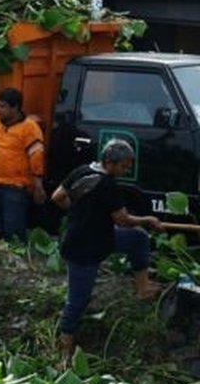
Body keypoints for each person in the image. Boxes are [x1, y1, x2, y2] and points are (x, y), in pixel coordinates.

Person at [51, 139, 165, 365]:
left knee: (138, 239)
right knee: (78, 300)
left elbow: (57, 197)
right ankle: (64, 348)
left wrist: (78, 213)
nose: (126, 170)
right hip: (84, 249)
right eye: (124, 165)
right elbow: (122, 219)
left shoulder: (82, 172)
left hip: (98, 237)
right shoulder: (106, 185)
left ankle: (143, 287)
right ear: (110, 162)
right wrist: (148, 220)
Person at [0, 87, 46, 241]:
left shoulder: (29, 128)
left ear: (15, 107)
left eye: (2, 106)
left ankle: (17, 259)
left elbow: (36, 158)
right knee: (0, 228)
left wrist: (38, 187)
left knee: (13, 230)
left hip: (16, 187)